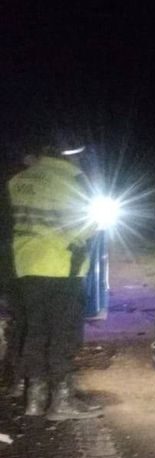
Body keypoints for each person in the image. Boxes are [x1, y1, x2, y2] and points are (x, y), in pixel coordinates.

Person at [7, 141, 102, 420]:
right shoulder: (71, 180)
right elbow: (86, 227)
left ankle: (34, 401)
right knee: (63, 334)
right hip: (61, 266)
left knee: (35, 332)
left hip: (26, 265)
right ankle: (62, 402)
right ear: (71, 157)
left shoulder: (19, 180)